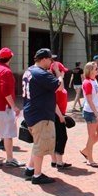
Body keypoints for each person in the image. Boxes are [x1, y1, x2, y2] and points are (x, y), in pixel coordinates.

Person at [22, 48, 62, 184]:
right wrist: (58, 72)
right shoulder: (40, 73)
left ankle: (30, 168)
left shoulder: (29, 70)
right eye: (50, 59)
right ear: (44, 59)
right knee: (41, 145)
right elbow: (60, 86)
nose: (52, 62)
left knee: (37, 143)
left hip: (31, 112)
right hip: (41, 115)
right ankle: (37, 175)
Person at [80, 61, 98, 167]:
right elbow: (89, 100)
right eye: (96, 69)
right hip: (91, 112)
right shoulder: (87, 82)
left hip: (96, 111)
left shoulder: (94, 80)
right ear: (90, 70)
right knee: (91, 136)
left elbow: (96, 97)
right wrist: (97, 114)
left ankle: (86, 150)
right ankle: (90, 159)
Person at [50, 60, 72, 170]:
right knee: (62, 137)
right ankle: (59, 161)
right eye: (63, 71)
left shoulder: (55, 82)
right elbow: (53, 103)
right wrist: (60, 116)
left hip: (58, 114)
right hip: (56, 115)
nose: (64, 73)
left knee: (56, 137)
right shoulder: (55, 83)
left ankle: (54, 160)